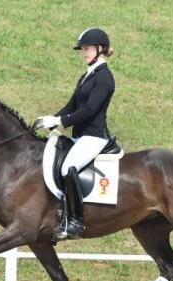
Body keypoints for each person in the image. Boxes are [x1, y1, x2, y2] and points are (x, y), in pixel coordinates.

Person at [36, 27, 116, 239]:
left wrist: (61, 121)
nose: (84, 52)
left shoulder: (105, 78)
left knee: (68, 167)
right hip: (80, 136)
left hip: (94, 136)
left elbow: (90, 110)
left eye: (87, 48)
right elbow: (72, 106)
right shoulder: (87, 76)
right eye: (82, 49)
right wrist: (51, 119)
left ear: (100, 49)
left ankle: (75, 222)